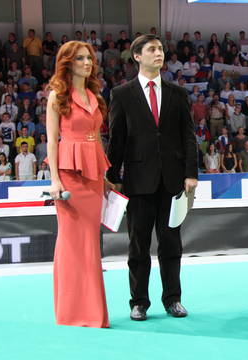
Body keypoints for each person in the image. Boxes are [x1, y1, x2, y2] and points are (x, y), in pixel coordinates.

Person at [106, 34, 198, 321]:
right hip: (137, 182)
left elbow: (188, 136)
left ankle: (173, 299)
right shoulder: (122, 94)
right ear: (137, 56)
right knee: (138, 246)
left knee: (171, 244)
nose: (159, 53)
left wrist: (191, 173)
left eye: (160, 49)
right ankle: (139, 302)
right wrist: (112, 176)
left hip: (172, 182)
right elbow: (116, 139)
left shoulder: (177, 93)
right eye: (152, 49)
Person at [46, 40, 112, 327]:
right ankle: (71, 312)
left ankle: (92, 311)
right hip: (69, 175)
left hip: (94, 175)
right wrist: (55, 180)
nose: (87, 63)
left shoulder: (94, 95)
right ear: (67, 63)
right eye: (80, 59)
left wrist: (104, 175)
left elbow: (96, 138)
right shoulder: (57, 96)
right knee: (72, 242)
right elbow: (51, 141)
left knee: (90, 243)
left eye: (89, 58)